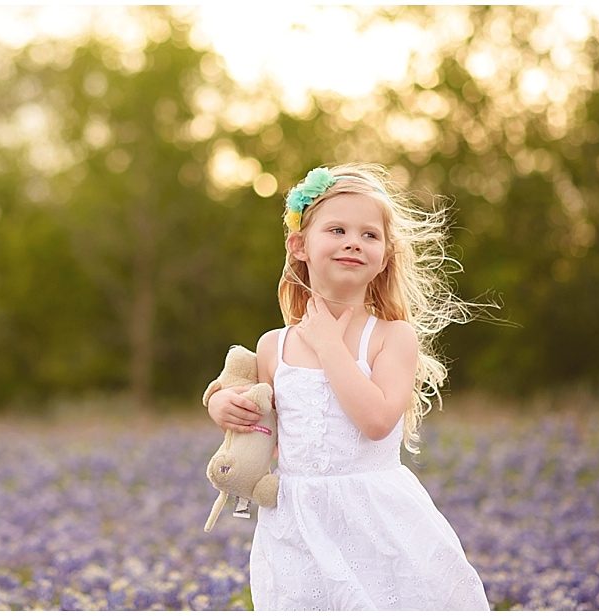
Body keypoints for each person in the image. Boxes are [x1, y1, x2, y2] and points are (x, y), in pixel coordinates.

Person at [206, 163, 492, 610]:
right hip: (297, 522)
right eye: (337, 230)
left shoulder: (392, 337)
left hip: (377, 521)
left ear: (384, 256)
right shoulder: (273, 346)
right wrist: (223, 405)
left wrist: (328, 344)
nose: (353, 242)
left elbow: (377, 421)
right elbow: (261, 431)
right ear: (299, 245)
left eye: (369, 235)